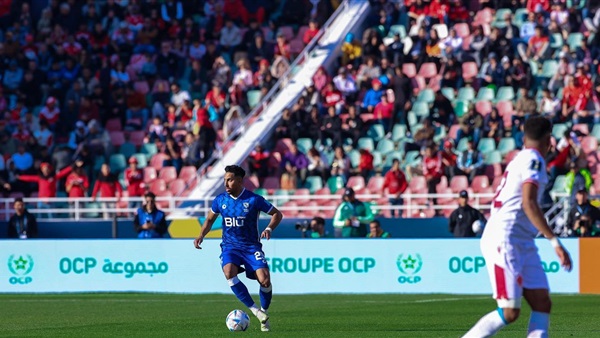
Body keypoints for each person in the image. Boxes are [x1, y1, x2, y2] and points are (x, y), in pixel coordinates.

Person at [464, 116, 572, 337]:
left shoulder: (521, 158)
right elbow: (529, 202)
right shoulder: (534, 160)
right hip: (505, 238)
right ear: (549, 140)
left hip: (522, 239)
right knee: (510, 311)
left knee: (542, 302)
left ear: (524, 138)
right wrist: (554, 241)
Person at [193, 165, 283, 332]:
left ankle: (264, 312)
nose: (226, 183)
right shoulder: (220, 200)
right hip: (230, 247)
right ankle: (256, 311)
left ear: (240, 181)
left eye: (230, 180)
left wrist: (269, 228)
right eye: (225, 180)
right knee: (228, 271)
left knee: (264, 280)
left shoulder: (254, 200)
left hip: (250, 246)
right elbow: (210, 220)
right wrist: (201, 235)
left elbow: (277, 214)